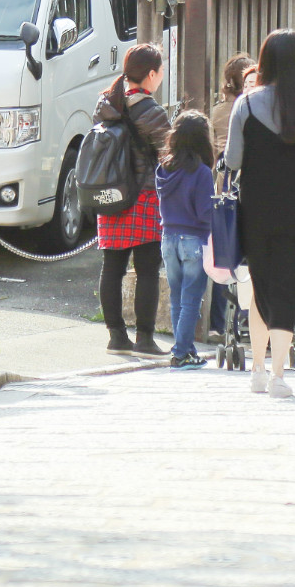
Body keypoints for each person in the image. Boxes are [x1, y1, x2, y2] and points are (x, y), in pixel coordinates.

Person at [225, 29, 295, 397]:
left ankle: (256, 367)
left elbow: (233, 160)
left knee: (260, 284)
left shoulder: (247, 104)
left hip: (255, 207)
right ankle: (279, 375)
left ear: (264, 61)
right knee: (288, 286)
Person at [94, 44, 173, 356]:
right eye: (161, 71)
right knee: (148, 269)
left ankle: (116, 336)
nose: (162, 76)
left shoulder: (106, 103)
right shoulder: (151, 112)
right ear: (151, 75)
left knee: (112, 265)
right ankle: (144, 338)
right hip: (142, 195)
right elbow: (170, 157)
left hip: (109, 192)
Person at [155, 111, 216, 370]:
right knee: (192, 299)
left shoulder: (163, 169)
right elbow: (204, 212)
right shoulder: (201, 172)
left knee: (177, 298)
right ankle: (180, 353)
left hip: (168, 238)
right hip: (194, 240)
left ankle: (186, 350)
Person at [206, 54, 253, 342]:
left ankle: (217, 323)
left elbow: (213, 152)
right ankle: (246, 320)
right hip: (247, 186)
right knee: (247, 257)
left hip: (222, 187)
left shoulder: (217, 111)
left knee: (225, 255)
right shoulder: (249, 107)